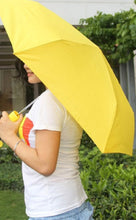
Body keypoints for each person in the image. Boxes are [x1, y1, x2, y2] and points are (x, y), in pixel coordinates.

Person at [0, 59, 94, 220]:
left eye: (33, 59)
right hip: (65, 207)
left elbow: (45, 165)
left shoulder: (49, 102)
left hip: (55, 211)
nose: (26, 65)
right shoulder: (59, 98)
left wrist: (9, 136)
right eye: (25, 59)